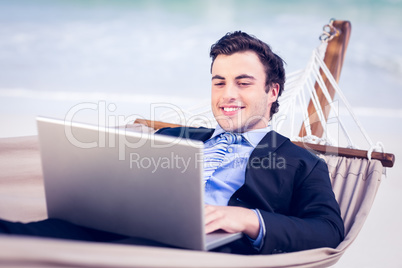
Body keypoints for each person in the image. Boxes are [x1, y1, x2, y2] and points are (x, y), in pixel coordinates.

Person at [0, 31, 344, 255]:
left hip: (192, 252)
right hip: (111, 227)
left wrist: (246, 218)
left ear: (272, 91)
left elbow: (327, 231)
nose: (227, 95)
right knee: (17, 237)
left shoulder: (302, 163)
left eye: (243, 83)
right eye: (219, 82)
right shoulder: (171, 138)